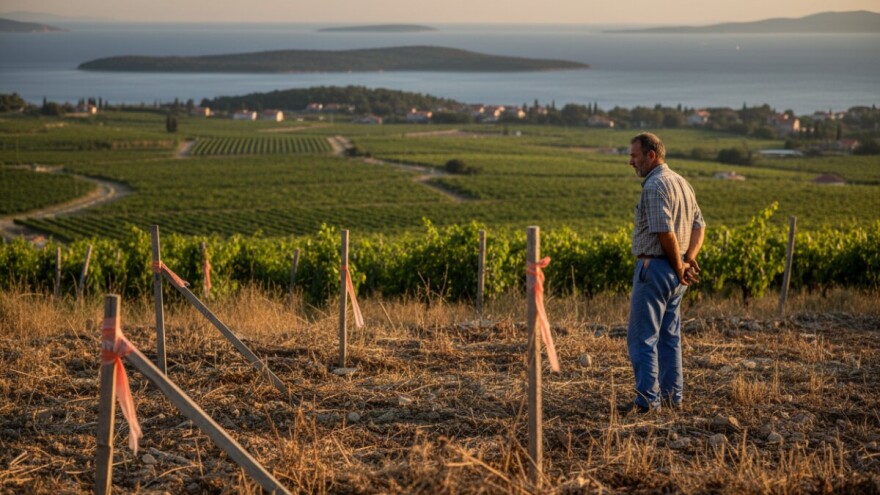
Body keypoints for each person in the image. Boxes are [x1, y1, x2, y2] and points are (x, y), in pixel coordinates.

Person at [620, 132, 705, 414]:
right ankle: (672, 398)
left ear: (651, 155)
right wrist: (688, 259)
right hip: (676, 273)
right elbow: (699, 226)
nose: (631, 161)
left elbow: (664, 231)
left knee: (643, 338)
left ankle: (647, 402)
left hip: (656, 268)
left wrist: (680, 263)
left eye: (634, 155)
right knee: (669, 337)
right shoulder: (683, 183)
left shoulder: (655, 186)